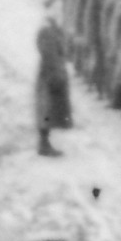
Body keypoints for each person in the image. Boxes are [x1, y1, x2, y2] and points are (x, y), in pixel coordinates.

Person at [31, 8, 75, 157]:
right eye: (55, 9)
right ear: (48, 10)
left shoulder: (53, 28)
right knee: (46, 110)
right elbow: (48, 54)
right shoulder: (46, 29)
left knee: (49, 110)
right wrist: (56, 74)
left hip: (52, 73)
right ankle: (43, 145)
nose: (58, 12)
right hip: (49, 75)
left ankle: (45, 143)